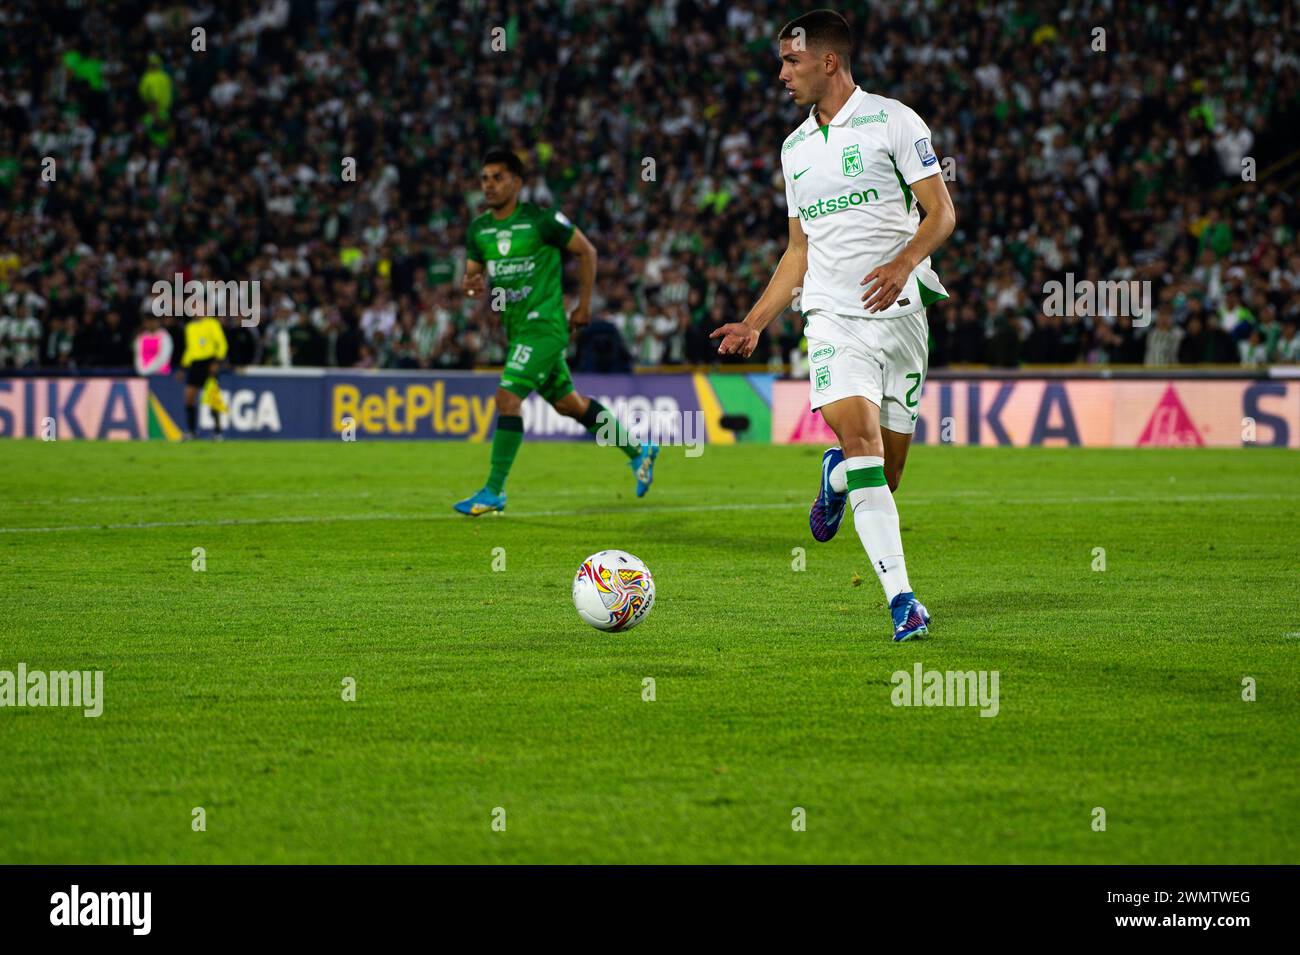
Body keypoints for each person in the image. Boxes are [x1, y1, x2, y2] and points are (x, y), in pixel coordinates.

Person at [711, 10, 956, 641]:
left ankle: (836, 474)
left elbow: (941, 213)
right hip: (831, 318)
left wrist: (905, 263)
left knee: (886, 475)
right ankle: (904, 600)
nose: (782, 75)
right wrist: (756, 321)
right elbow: (799, 250)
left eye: (791, 62)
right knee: (865, 445)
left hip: (901, 317)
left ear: (828, 62)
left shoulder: (894, 121)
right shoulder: (793, 149)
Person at [453, 148, 657, 516]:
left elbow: (587, 252)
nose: (489, 185)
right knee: (570, 405)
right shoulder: (479, 229)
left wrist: (582, 306)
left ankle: (493, 491)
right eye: (484, 178)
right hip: (516, 330)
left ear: (517, 182)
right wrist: (471, 284)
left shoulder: (541, 220)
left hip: (544, 326)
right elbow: (472, 274)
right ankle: (638, 450)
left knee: (506, 398)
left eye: (498, 177)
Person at [178, 313, 228, 440]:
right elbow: (190, 349)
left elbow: (222, 344)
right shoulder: (190, 327)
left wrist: (217, 361)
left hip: (209, 362)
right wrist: (183, 367)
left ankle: (218, 432)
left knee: (212, 397)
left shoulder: (212, 323)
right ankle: (191, 432)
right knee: (189, 397)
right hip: (195, 364)